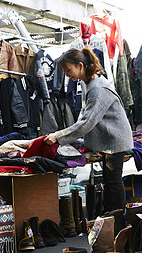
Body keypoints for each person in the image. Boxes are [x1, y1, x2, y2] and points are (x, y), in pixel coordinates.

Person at [44, 47, 133, 212]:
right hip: (109, 138)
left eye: (69, 70)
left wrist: (58, 136)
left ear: (80, 65)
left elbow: (86, 122)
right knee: (110, 181)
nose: (67, 75)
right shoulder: (88, 83)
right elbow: (85, 116)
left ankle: (117, 218)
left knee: (113, 181)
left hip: (114, 140)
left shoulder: (97, 87)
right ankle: (112, 217)